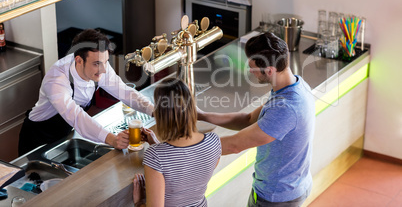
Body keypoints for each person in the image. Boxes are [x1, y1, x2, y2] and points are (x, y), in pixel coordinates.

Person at [197, 32, 315, 207]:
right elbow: (249, 119)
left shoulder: (286, 108)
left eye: (253, 67)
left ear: (270, 70)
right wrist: (201, 115)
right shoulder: (294, 85)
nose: (250, 71)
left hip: (277, 196)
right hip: (292, 185)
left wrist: (188, 148)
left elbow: (235, 145)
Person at [18, 29, 154, 156]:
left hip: (66, 135)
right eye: (97, 64)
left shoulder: (99, 66)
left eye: (105, 62)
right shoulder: (57, 80)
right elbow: (77, 116)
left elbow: (124, 92)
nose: (104, 70)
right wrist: (112, 139)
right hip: (37, 140)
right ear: (78, 60)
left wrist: (154, 111)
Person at [133, 78, 221, 207]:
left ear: (160, 114)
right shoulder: (214, 141)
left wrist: (139, 201)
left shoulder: (154, 156)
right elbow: (189, 174)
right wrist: (157, 144)